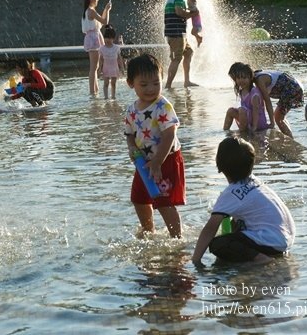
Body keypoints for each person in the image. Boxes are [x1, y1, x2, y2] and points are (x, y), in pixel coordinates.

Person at [192, 136, 296, 267]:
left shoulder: (230, 193)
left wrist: (196, 260)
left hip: (272, 241)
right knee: (237, 225)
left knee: (217, 244)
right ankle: (261, 254)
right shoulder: (254, 181)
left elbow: (210, 229)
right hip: (286, 237)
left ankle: (261, 259)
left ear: (219, 165)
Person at [124, 54, 186, 238]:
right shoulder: (132, 109)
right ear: (130, 83)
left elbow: (170, 133)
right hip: (143, 162)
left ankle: (176, 238)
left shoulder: (162, 106)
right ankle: (148, 230)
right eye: (144, 85)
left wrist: (158, 161)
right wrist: (132, 148)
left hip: (165, 159)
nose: (151, 89)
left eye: (156, 83)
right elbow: (129, 134)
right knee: (139, 198)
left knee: (163, 201)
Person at [164, 0, 200, 89]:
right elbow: (179, 12)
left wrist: (190, 14)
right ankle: (168, 85)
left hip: (177, 33)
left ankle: (187, 81)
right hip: (176, 33)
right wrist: (192, 14)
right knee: (176, 59)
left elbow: (178, 13)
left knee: (188, 52)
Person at [253, 66, 304, 138]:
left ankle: (290, 140)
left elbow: (267, 101)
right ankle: (290, 137)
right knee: (280, 117)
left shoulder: (259, 80)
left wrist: (272, 123)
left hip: (291, 88)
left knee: (278, 118)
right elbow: (261, 103)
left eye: (243, 77)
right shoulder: (258, 74)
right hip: (295, 86)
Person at [223, 62, 268, 133]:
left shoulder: (254, 93)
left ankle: (242, 133)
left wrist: (254, 127)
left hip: (257, 122)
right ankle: (226, 132)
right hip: (247, 118)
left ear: (250, 78)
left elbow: (256, 111)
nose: (241, 80)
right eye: (239, 78)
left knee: (241, 109)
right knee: (230, 111)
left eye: (244, 78)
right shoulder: (242, 91)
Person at [82, 0, 112, 96]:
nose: (97, 0)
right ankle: (92, 91)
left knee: (96, 67)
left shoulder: (88, 11)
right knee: (94, 67)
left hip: (93, 37)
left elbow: (102, 21)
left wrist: (105, 10)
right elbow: (105, 21)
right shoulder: (91, 11)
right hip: (94, 38)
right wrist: (107, 10)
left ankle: (95, 90)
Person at [98, 25, 124, 99]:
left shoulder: (116, 48)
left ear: (113, 38)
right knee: (106, 83)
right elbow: (101, 59)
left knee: (113, 83)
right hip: (106, 68)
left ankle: (113, 96)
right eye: (106, 38)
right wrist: (99, 69)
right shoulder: (102, 48)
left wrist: (122, 68)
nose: (107, 40)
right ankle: (106, 97)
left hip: (114, 68)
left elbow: (119, 59)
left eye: (109, 38)